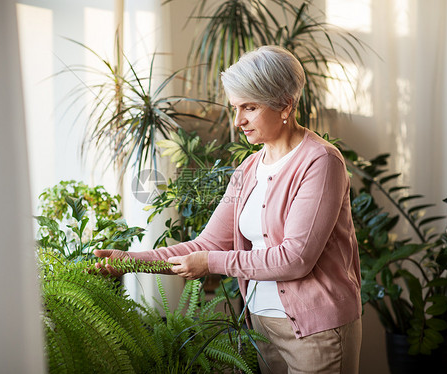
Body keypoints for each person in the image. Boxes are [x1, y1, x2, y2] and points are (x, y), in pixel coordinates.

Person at [94, 45, 362, 374]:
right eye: (235, 108)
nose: (238, 121)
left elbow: (295, 259)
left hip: (316, 333)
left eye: (249, 107)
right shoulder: (247, 169)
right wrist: (130, 262)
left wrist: (212, 263)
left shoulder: (320, 162)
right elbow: (205, 245)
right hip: (262, 328)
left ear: (285, 105)